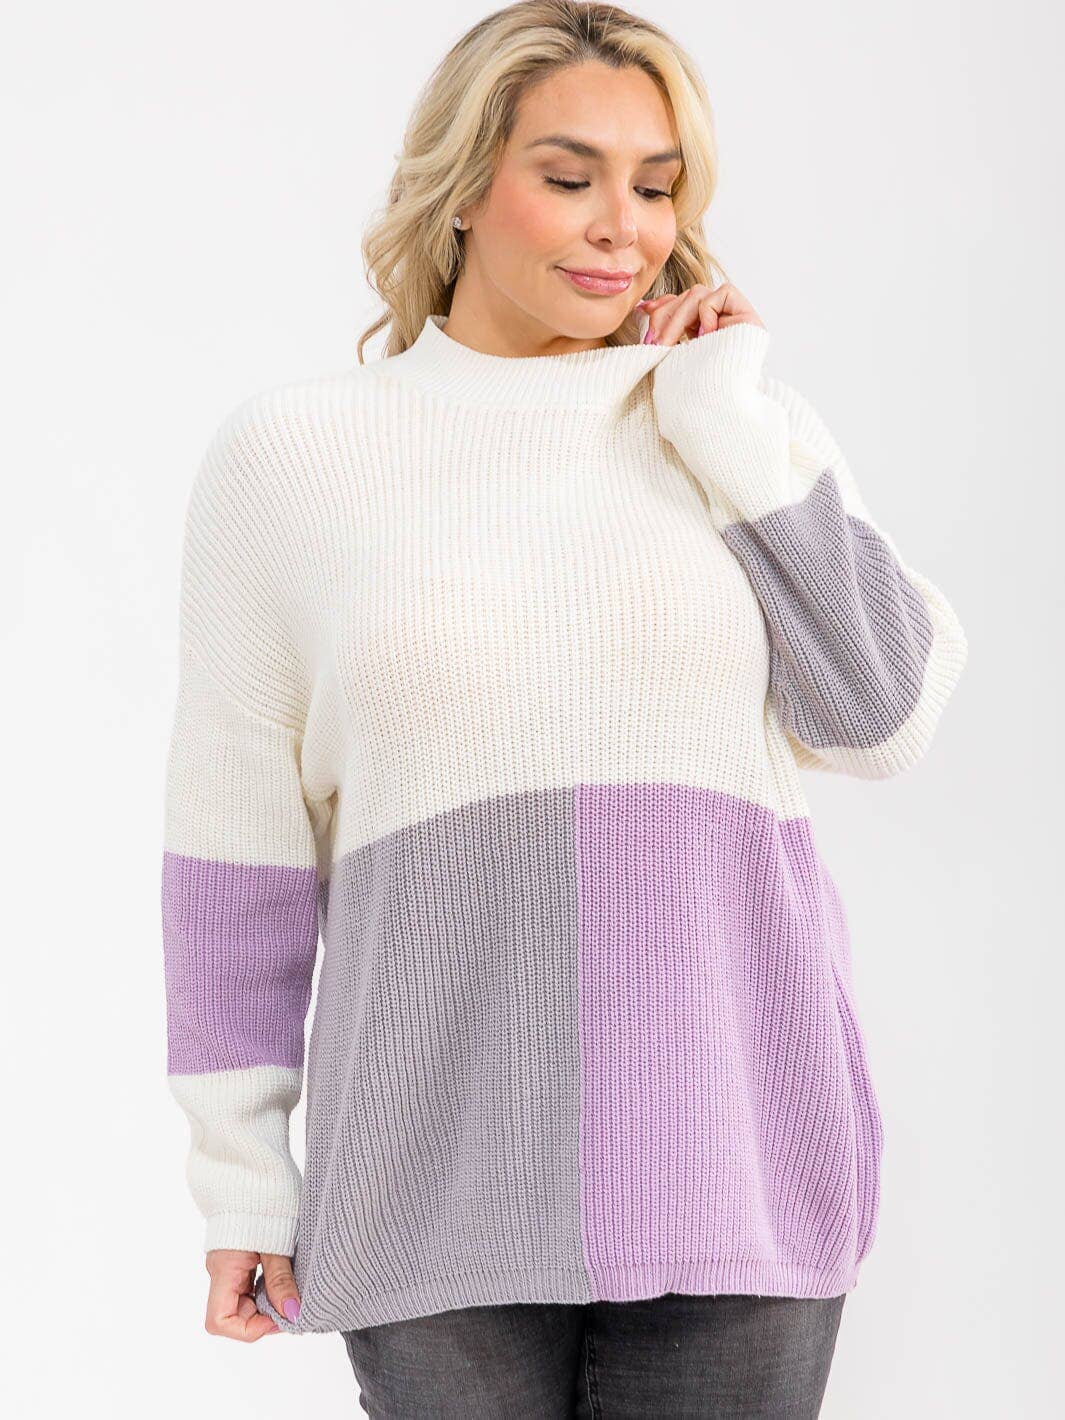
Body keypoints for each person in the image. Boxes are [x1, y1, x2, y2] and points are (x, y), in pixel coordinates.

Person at [160, 2, 968, 1414]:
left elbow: (883, 714)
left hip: (732, 1164)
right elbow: (236, 855)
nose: (622, 228)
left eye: (657, 187)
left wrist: (721, 418)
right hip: (429, 1179)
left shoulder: (729, 425)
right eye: (569, 174)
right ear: (465, 184)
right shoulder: (295, 458)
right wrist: (243, 1180)